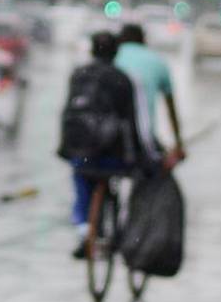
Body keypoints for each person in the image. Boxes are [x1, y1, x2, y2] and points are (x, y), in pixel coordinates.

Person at [59, 31, 140, 255]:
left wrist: (64, 149)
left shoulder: (79, 75)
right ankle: (117, 230)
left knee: (81, 180)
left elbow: (67, 113)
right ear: (116, 52)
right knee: (124, 182)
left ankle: (85, 230)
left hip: (82, 153)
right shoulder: (122, 79)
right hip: (113, 156)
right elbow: (131, 122)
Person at [115, 24, 185, 165]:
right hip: (142, 139)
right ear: (143, 40)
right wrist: (178, 143)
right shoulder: (157, 61)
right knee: (159, 173)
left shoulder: (112, 57)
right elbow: (171, 109)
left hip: (102, 139)